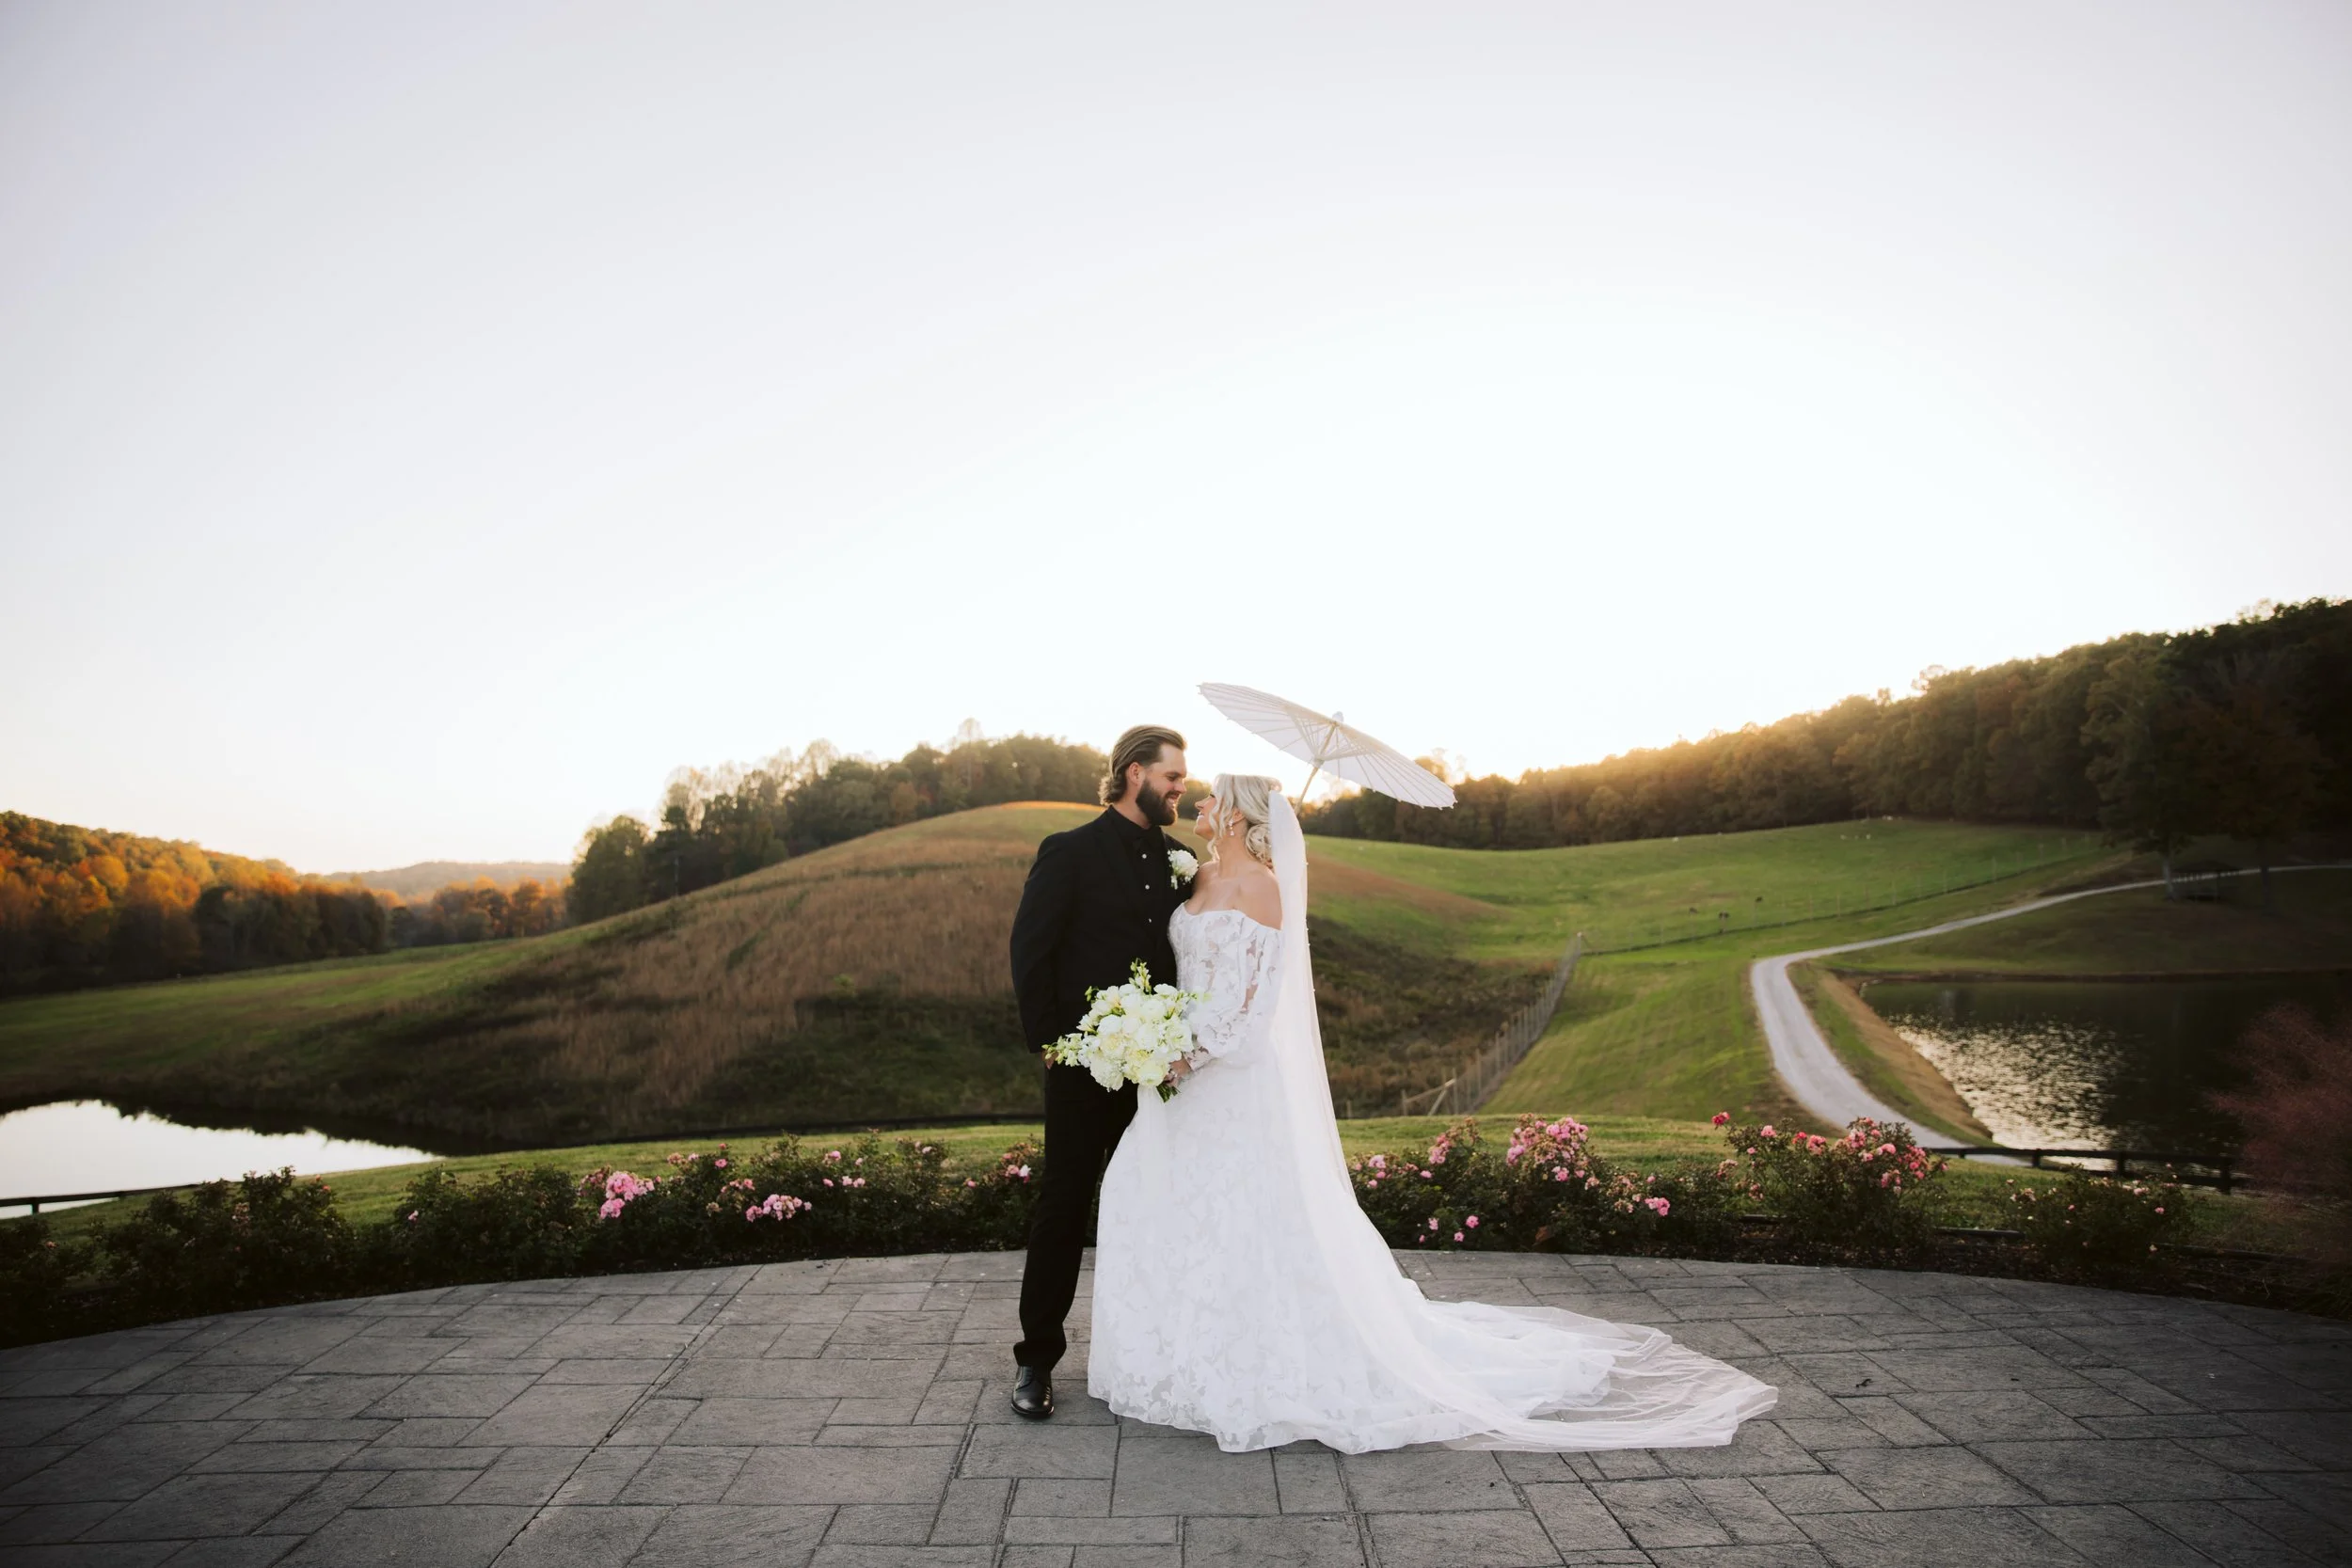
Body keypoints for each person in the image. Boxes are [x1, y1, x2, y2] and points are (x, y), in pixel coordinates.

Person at [1087, 773, 1778, 1451]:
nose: (1200, 801)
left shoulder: (1265, 890)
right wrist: (1154, 1036)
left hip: (1229, 1077)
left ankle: (1254, 1366)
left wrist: (1192, 1055)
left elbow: (1256, 1005)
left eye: (1213, 795)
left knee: (1244, 1218)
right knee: (1160, 1200)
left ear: (1236, 814)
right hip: (1177, 1076)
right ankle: (1176, 1355)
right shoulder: (1197, 877)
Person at [1006, 722, 1191, 1419]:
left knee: (1156, 1206)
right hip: (1083, 1066)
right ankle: (1036, 1360)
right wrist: (1050, 1042)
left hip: (1158, 1073)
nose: (1180, 788)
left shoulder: (1181, 859)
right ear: (1135, 772)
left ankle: (1154, 1354)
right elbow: (1031, 950)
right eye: (1172, 776)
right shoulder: (1069, 851)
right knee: (1064, 1205)